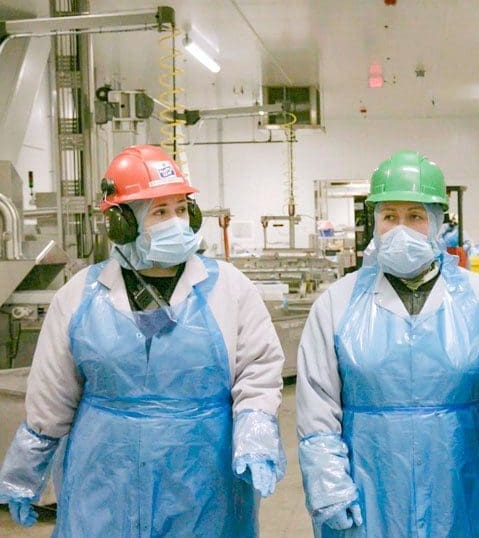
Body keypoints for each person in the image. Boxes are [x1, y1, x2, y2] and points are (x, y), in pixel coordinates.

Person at [0, 144, 287, 536]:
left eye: (182, 209)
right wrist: (25, 470)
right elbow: (52, 394)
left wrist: (255, 434)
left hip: (204, 482)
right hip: (104, 481)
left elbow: (259, 369)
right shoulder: (80, 296)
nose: (176, 223)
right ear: (122, 223)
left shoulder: (229, 289)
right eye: (159, 212)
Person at [296, 150, 479, 537]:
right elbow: (317, 405)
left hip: (462, 485)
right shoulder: (337, 303)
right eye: (389, 216)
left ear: (439, 222)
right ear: (374, 221)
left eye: (415, 216)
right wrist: (327, 483)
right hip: (368, 486)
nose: (401, 229)